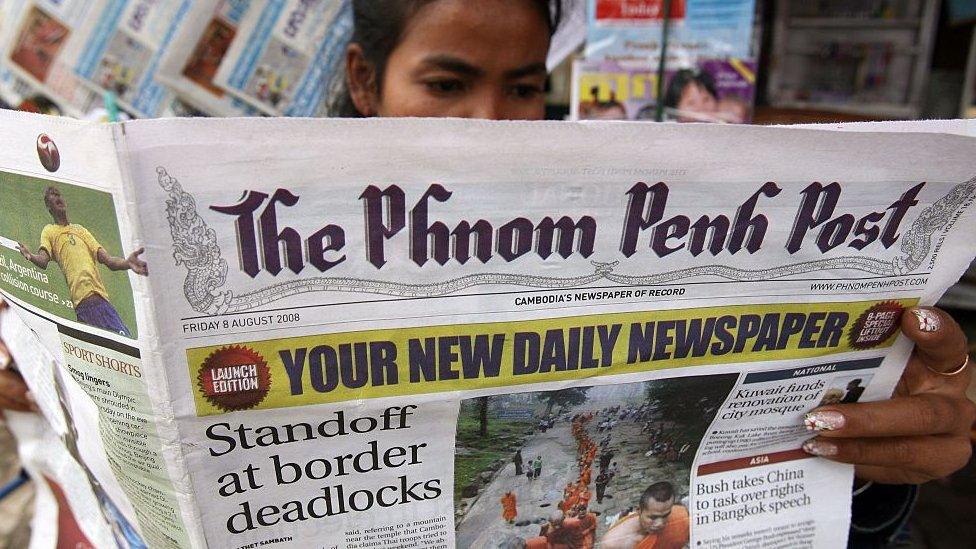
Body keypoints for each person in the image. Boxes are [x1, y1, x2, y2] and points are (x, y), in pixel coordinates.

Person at [0, 1, 973, 546]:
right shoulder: (235, 220)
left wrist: (873, 477)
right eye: (446, 82)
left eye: (521, 89)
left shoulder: (613, 224)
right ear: (359, 82)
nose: (492, 124)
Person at [18, 187, 147, 336]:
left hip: (102, 304)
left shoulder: (81, 231)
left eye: (59, 194)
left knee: (126, 346)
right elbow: (43, 260)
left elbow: (109, 261)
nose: (58, 196)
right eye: (53, 195)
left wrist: (127, 263)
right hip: (83, 308)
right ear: (48, 206)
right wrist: (31, 256)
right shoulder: (50, 231)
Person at [601, 481, 689, 549]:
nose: (660, 523)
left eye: (666, 515)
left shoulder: (681, 517)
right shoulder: (614, 543)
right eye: (653, 517)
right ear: (639, 511)